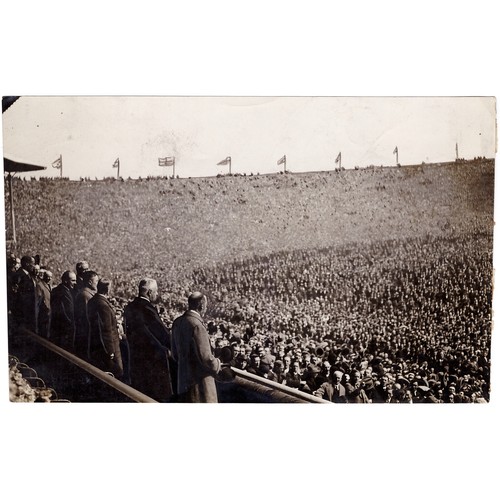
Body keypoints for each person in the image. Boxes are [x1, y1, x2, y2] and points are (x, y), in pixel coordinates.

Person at [123, 278, 174, 402]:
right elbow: (162, 333)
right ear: (149, 292)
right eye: (155, 292)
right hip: (152, 360)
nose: (157, 294)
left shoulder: (130, 307)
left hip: (136, 357)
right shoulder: (148, 309)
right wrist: (174, 345)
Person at [171, 292, 223, 403]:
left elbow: (175, 354)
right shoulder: (197, 325)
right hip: (200, 385)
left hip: (183, 381)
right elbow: (207, 358)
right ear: (201, 306)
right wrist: (218, 364)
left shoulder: (177, 322)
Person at [87, 279, 123, 379]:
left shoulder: (93, 301)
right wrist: (110, 351)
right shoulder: (103, 305)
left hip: (97, 345)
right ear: (107, 290)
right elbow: (106, 330)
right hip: (108, 347)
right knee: (116, 373)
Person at [74, 270, 99, 359]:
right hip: (86, 333)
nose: (97, 284)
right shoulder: (85, 295)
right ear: (90, 282)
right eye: (96, 281)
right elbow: (86, 316)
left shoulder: (88, 294)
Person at [49, 270, 77, 349]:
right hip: (62, 329)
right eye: (73, 280)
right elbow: (62, 312)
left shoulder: (67, 290)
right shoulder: (59, 292)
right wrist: (70, 324)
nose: (75, 283)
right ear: (65, 280)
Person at [12, 255, 38, 333]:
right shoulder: (18, 275)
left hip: (28, 312)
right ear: (27, 264)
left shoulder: (29, 275)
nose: (34, 266)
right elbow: (17, 295)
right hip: (22, 313)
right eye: (33, 263)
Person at [36, 269, 52, 338]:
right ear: (44, 276)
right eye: (48, 277)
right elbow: (38, 300)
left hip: (48, 314)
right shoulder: (40, 285)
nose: (49, 279)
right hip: (43, 313)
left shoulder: (49, 285)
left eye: (50, 277)